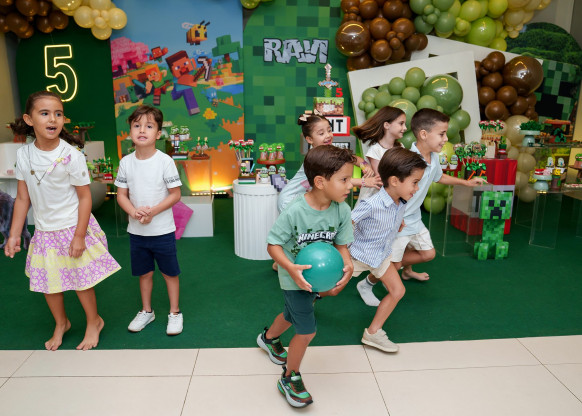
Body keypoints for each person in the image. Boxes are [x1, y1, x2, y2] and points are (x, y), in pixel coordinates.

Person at [4, 90, 121, 351]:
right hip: (45, 231)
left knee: (81, 281)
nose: (52, 119)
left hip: (72, 227)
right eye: (45, 113)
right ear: (29, 119)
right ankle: (61, 323)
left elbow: (85, 198)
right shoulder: (24, 155)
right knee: (49, 284)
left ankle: (94, 321)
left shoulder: (72, 155)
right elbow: (22, 198)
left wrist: (79, 235)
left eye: (58, 114)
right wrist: (14, 234)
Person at [257, 145, 356, 408]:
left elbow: (342, 245)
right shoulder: (294, 211)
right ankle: (289, 377)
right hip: (294, 279)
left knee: (292, 315)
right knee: (306, 330)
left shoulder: (342, 210)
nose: (351, 185)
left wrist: (347, 265)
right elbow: (273, 245)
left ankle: (268, 338)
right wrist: (290, 268)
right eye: (344, 179)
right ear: (320, 182)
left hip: (318, 279)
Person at [356, 109, 486, 307]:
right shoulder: (408, 160)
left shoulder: (434, 157)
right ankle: (367, 283)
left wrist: (466, 183)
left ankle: (401, 270)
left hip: (414, 218)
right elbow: (392, 190)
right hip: (400, 219)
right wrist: (395, 216)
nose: (445, 139)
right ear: (424, 134)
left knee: (428, 254)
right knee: (394, 263)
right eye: (442, 134)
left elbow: (439, 177)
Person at [273, 112, 381, 271]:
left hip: (307, 197)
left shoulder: (330, 151)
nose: (328, 135)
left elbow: (352, 158)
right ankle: (288, 263)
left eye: (329, 130)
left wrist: (365, 165)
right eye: (321, 133)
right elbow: (334, 181)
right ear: (309, 139)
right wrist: (365, 182)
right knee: (301, 236)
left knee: (305, 234)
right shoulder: (316, 158)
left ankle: (285, 262)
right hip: (291, 200)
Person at [115, 105, 184, 336]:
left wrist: (152, 212)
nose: (142, 130)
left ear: (158, 133)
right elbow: (121, 195)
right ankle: (147, 311)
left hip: (162, 231)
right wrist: (134, 212)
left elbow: (175, 194)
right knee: (144, 273)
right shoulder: (126, 162)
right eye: (137, 125)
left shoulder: (165, 161)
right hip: (137, 232)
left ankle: (175, 312)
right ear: (130, 131)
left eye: (149, 126)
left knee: (169, 273)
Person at [350, 147, 426, 352]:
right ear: (394, 181)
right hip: (357, 256)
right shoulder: (371, 203)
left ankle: (373, 332)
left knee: (398, 290)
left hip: (381, 255)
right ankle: (306, 301)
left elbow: (392, 215)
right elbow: (348, 222)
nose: (417, 188)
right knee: (329, 289)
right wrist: (343, 250)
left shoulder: (401, 201)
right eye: (415, 182)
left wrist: (397, 224)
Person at [352, 106, 407, 203]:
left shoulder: (401, 147)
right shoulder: (376, 150)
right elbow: (381, 180)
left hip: (392, 196)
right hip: (375, 200)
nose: (405, 128)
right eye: (401, 123)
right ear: (386, 125)